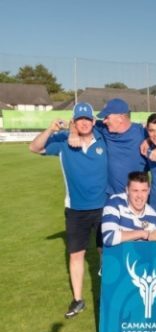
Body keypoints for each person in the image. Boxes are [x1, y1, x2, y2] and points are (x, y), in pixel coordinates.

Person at [29, 103, 108, 319]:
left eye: (87, 119)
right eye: (79, 119)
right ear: (74, 121)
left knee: (105, 253)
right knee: (76, 256)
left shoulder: (102, 137)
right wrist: (51, 129)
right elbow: (34, 148)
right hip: (75, 210)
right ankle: (78, 299)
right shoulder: (62, 142)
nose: (84, 122)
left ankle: (107, 295)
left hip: (103, 207)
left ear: (93, 121)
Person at [72, 98, 156, 195]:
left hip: (136, 199)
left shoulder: (141, 132)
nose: (104, 121)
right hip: (111, 198)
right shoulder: (104, 128)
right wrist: (73, 133)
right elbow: (76, 122)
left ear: (120, 118)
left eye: (107, 117)